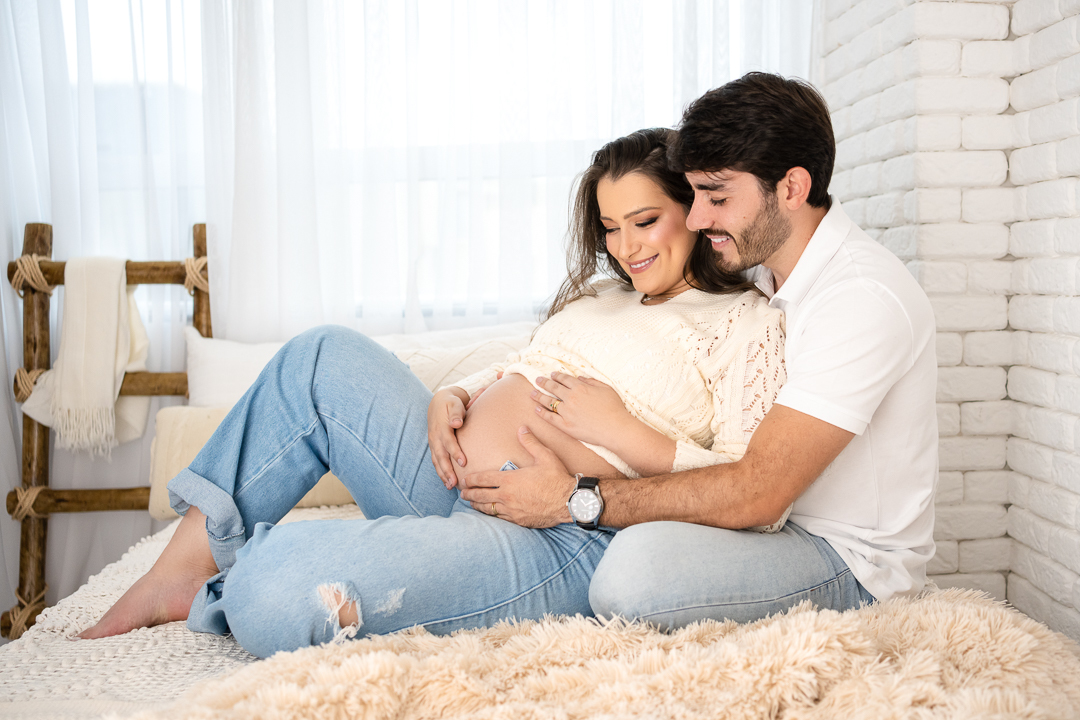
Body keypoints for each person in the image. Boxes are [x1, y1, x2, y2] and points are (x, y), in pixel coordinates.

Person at [77, 128, 787, 658]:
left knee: (276, 589)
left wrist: (623, 434)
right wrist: (458, 395)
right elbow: (527, 364)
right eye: (610, 229)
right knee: (320, 356)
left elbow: (746, 493)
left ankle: (239, 583)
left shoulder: (744, 325)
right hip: (449, 476)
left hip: (558, 534)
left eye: (645, 221)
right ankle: (177, 572)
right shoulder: (604, 296)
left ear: (693, 211)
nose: (627, 248)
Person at [459, 72, 939, 628]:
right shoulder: (766, 270)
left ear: (791, 188)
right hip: (759, 526)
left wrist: (575, 500)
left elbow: (758, 493)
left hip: (843, 557)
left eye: (717, 197)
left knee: (633, 575)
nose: (696, 218)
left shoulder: (859, 298)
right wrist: (465, 392)